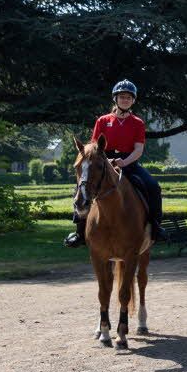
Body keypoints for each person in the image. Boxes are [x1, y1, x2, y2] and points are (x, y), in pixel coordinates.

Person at [65, 79, 167, 247]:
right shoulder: (103, 121)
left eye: (128, 97)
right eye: (121, 97)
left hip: (129, 162)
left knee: (153, 186)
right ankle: (79, 232)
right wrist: (107, 160)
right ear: (115, 99)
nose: (125, 100)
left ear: (133, 100)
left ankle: (156, 228)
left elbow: (138, 150)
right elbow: (94, 148)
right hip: (103, 162)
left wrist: (124, 162)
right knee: (81, 188)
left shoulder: (138, 123)